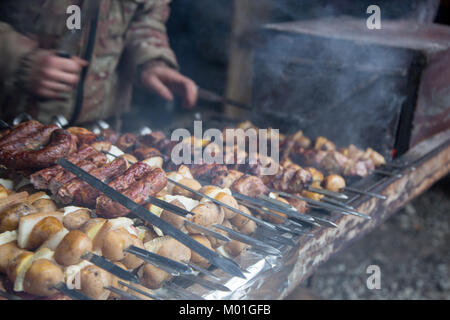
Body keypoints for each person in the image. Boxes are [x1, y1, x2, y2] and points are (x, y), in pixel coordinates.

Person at [0, 0, 198, 126]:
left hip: (99, 135)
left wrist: (152, 61)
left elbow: (145, 15)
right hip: (13, 125)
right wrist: (17, 60)